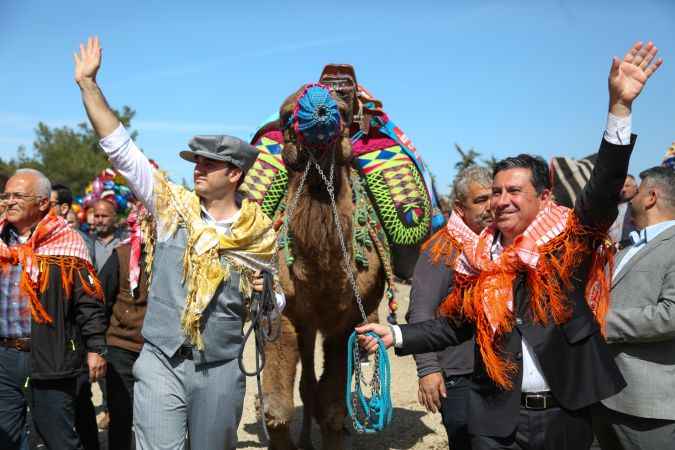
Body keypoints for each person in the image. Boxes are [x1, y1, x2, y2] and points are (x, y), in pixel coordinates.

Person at [357, 41, 662, 450]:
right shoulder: (476, 259)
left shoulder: (566, 243)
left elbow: (604, 188)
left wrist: (619, 109)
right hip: (495, 418)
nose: (502, 200)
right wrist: (394, 334)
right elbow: (454, 324)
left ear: (542, 197)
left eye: (514, 190)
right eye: (496, 191)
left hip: (566, 415)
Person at [74, 36, 284, 450]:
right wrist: (88, 86)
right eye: (196, 162)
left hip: (221, 368)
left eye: (209, 164)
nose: (198, 169)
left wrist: (268, 295)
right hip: (160, 362)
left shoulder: (259, 235)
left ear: (235, 174)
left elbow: (275, 307)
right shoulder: (172, 209)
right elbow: (121, 150)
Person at [0, 168, 107, 450]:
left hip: (50, 355)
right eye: (6, 195)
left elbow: (88, 301)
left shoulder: (67, 243)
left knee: (58, 438)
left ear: (43, 203)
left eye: (18, 196)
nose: (8, 201)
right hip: (4, 356)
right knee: (6, 437)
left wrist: (96, 348)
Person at [406, 165, 492, 450]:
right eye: (480, 200)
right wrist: (428, 369)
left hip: (494, 370)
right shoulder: (442, 249)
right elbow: (420, 313)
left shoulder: (496, 244)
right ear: (460, 207)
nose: (488, 206)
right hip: (458, 376)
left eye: (492, 197)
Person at [592, 166, 675, 450]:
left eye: (637, 192)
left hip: (648, 408)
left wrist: (603, 323)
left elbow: (671, 315)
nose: (630, 199)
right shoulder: (626, 247)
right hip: (604, 397)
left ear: (651, 197)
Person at [98, 204, 152, 450]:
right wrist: (97, 347)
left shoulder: (172, 257)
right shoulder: (120, 256)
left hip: (155, 350)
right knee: (120, 415)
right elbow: (101, 302)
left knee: (152, 417)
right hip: (120, 347)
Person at [91, 198, 125, 272]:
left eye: (104, 216)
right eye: (97, 216)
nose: (100, 220)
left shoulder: (124, 240)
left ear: (114, 217)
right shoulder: (88, 242)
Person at [607, 175, 638, 244]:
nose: (623, 189)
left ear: (635, 187)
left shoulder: (640, 206)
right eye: (621, 187)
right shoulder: (612, 208)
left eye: (627, 186)